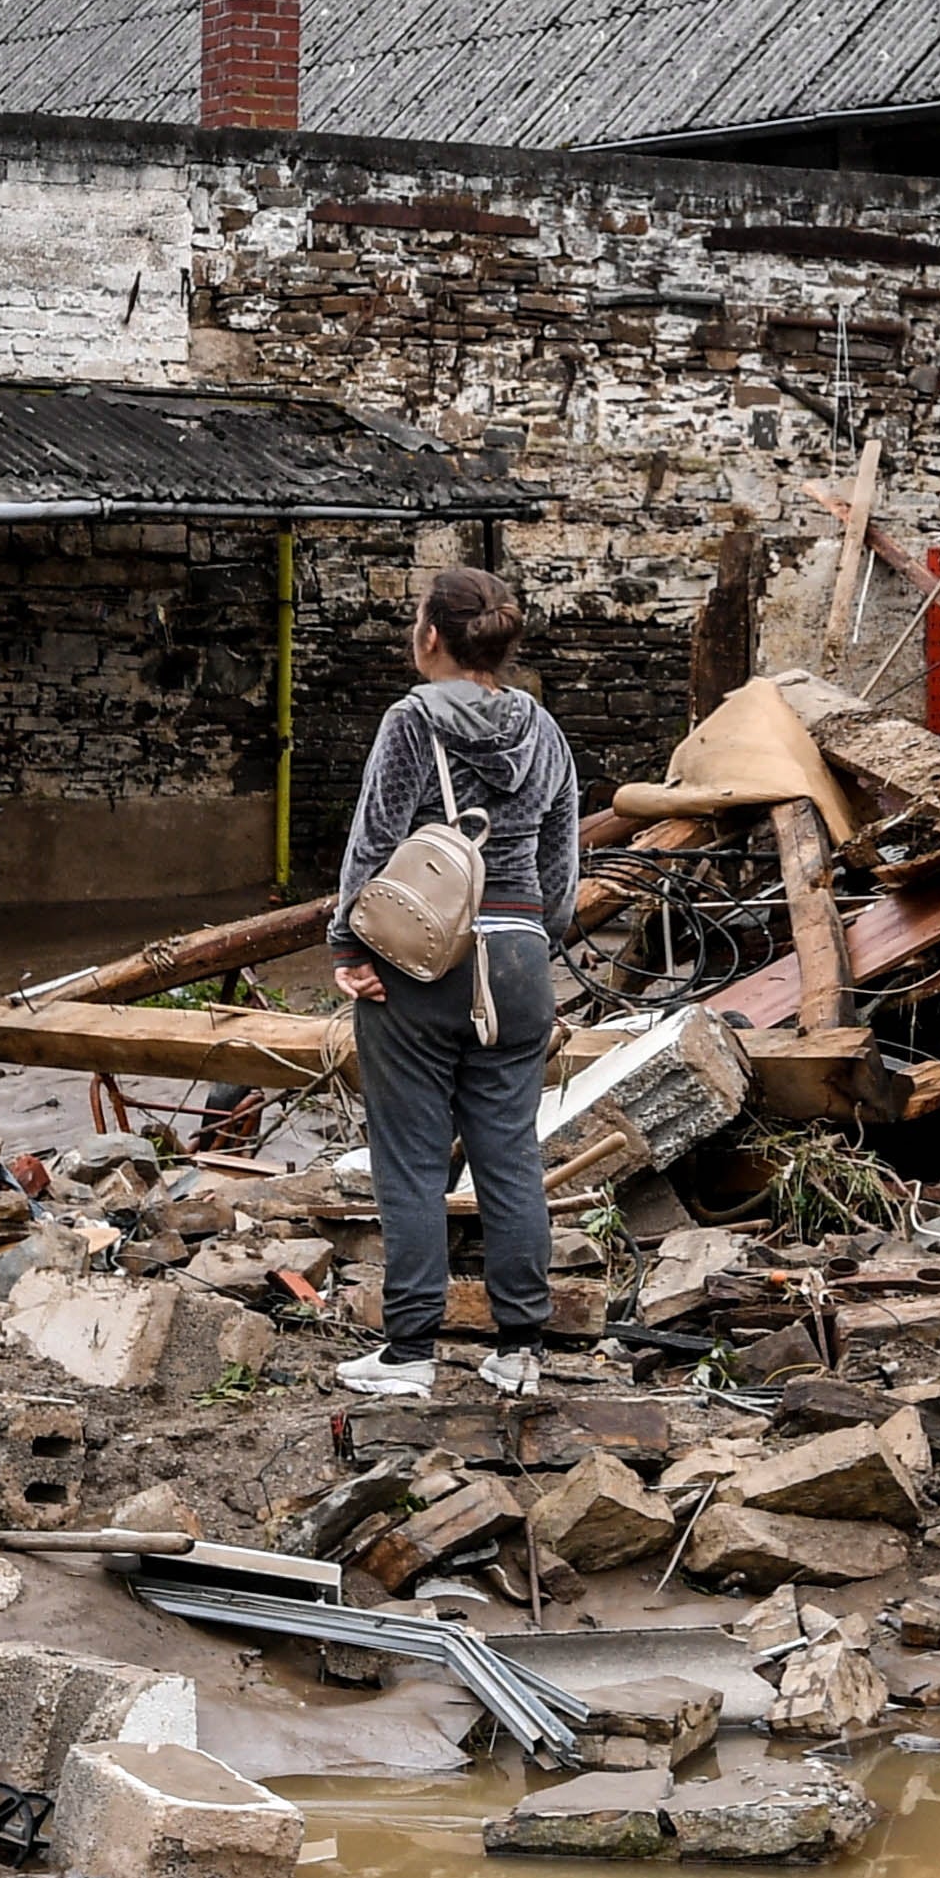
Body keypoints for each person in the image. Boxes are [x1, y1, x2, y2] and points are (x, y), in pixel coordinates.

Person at [326, 563, 581, 1400]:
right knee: (509, 1152)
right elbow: (560, 859)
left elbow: (373, 841)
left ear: (430, 634)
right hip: (518, 958)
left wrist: (347, 946)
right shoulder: (542, 728)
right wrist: (538, 942)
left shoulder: (409, 721)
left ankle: (408, 1354)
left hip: (423, 962)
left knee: (409, 1158)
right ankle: (518, 1349)